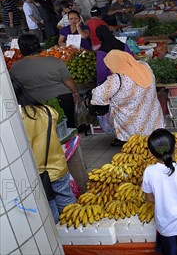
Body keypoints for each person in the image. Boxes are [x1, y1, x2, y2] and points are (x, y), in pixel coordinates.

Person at [11, 78, 77, 223]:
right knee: (68, 204)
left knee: (50, 210)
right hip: (57, 167)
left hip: (37, 174)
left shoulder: (14, 121)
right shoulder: (47, 111)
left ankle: (59, 240)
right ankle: (78, 233)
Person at [91, 50, 165, 146]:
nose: (110, 69)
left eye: (110, 66)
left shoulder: (117, 79)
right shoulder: (144, 68)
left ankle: (135, 148)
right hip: (152, 116)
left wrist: (107, 100)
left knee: (136, 145)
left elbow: (98, 95)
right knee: (152, 139)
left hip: (132, 121)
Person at [9, 34, 81, 128]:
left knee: (47, 130)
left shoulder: (14, 67)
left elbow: (15, 87)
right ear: (38, 45)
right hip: (63, 99)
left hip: (35, 104)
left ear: (21, 48)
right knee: (68, 127)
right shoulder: (54, 61)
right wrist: (75, 93)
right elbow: (67, 80)